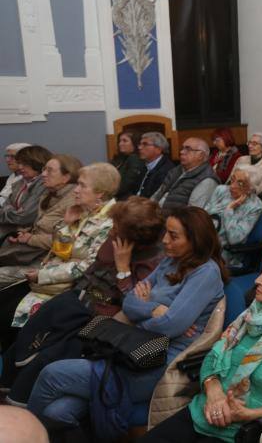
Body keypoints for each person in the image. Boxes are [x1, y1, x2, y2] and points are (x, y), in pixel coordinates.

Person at [27, 206, 226, 434]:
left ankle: (21, 435)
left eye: (174, 235)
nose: (165, 240)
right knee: (58, 411)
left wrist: (146, 313)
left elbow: (170, 325)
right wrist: (154, 310)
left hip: (158, 362)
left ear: (196, 240)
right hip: (130, 349)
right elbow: (130, 302)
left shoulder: (205, 273)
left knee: (52, 374)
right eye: (166, 233)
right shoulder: (171, 261)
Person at [138, 245, 262, 443]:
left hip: (241, 431)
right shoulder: (257, 311)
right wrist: (213, 391)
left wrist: (253, 413)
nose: (257, 280)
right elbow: (214, 354)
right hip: (204, 410)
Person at [0, 197, 163, 404]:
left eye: (117, 227)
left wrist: (123, 269)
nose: (112, 230)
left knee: (53, 350)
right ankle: (7, 380)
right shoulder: (114, 238)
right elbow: (90, 271)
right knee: (35, 326)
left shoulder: (152, 261)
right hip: (82, 298)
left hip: (106, 315)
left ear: (134, 237)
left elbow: (132, 303)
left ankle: (19, 400)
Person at [2, 163, 120, 332]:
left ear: (100, 193)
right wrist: (66, 224)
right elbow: (59, 248)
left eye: (82, 185)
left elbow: (89, 266)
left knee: (10, 318)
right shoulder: (85, 211)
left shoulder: (110, 222)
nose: (75, 190)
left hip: (76, 288)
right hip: (51, 279)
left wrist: (42, 275)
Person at [0, 154, 81, 268]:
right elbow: (40, 225)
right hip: (30, 253)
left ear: (66, 177)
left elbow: (70, 241)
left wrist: (30, 239)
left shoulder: (75, 201)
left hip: (48, 260)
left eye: (50, 171)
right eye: (44, 169)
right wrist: (23, 233)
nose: (43, 174)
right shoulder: (48, 194)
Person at [204, 166, 262, 266]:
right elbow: (203, 215)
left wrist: (229, 210)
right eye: (232, 180)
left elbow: (234, 238)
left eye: (240, 183)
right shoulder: (221, 190)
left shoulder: (255, 206)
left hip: (223, 253)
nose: (232, 186)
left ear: (251, 187)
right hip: (203, 239)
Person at [152, 138, 220, 211]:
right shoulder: (176, 170)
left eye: (188, 149)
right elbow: (157, 195)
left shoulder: (207, 180)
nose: (181, 152)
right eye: (182, 148)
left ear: (200, 155)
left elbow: (193, 214)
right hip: (156, 216)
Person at [0, 145, 51, 240]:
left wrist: (9, 210)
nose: (20, 167)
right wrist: (12, 210)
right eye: (19, 163)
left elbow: (24, 217)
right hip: (9, 228)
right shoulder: (19, 183)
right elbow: (5, 205)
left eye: (25, 164)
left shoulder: (43, 185)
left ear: (37, 163)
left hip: (25, 233)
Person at [136, 132, 175, 198]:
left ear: (158, 149)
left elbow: (155, 198)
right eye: (140, 144)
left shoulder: (166, 170)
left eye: (145, 144)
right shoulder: (143, 166)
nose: (140, 147)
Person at [111, 131, 145, 199]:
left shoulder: (134, 159)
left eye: (125, 141)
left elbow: (127, 184)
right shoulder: (121, 158)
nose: (120, 144)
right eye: (120, 141)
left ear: (135, 143)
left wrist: (109, 192)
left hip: (128, 199)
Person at [0, 143, 31, 207]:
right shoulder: (13, 175)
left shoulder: (28, 178)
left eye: (12, 157)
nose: (8, 160)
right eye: (7, 156)